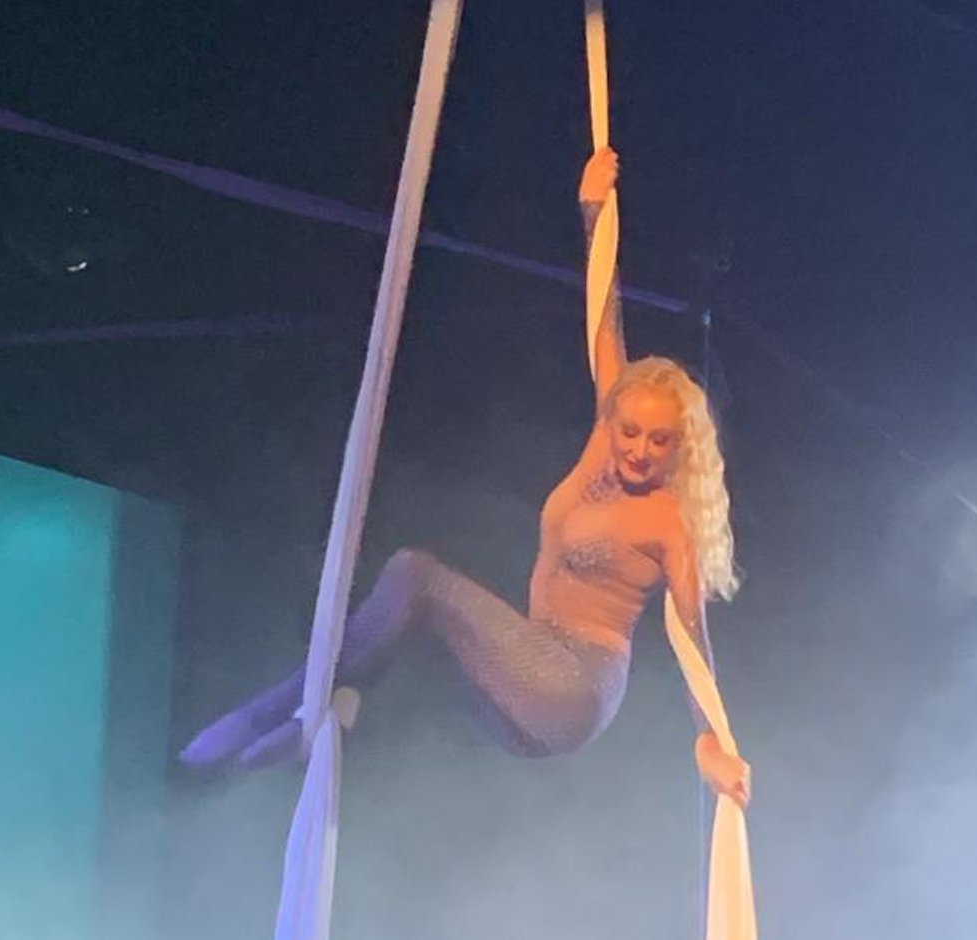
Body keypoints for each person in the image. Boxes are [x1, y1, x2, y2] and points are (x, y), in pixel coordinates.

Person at [181, 149, 751, 809]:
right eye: (631, 431)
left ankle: (272, 715)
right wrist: (594, 211)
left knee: (415, 575)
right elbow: (603, 322)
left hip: (572, 689)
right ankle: (336, 710)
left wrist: (711, 740)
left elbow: (692, 638)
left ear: (680, 449)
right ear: (614, 417)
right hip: (524, 677)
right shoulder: (604, 438)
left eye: (659, 441)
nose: (639, 451)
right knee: (400, 618)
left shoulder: (666, 519)